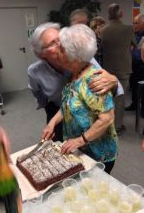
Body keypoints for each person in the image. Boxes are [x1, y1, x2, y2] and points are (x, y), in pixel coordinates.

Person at [42, 24, 118, 174]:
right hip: (80, 149)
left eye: (61, 49)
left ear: (74, 57)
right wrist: (52, 122)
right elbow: (68, 105)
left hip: (98, 154)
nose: (57, 52)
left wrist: (79, 140)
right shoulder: (74, 74)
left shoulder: (94, 81)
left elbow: (107, 119)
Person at [28, 22, 123, 143]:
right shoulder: (35, 71)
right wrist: (49, 114)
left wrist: (114, 80)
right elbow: (38, 94)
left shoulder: (80, 57)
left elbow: (108, 112)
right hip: (58, 109)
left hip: (86, 113)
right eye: (52, 43)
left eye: (60, 39)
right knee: (59, 145)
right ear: (41, 53)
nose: (60, 45)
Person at [100, 3, 136, 134]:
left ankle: (106, 124)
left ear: (109, 15)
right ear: (120, 14)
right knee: (120, 99)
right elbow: (134, 46)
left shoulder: (103, 30)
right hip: (124, 69)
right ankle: (118, 126)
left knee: (107, 98)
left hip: (107, 69)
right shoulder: (129, 29)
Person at [126, 14, 144, 118]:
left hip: (141, 65)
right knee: (133, 85)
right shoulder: (133, 34)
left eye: (136, 23)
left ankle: (142, 108)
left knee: (142, 88)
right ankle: (134, 104)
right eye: (134, 22)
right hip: (132, 64)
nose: (134, 25)